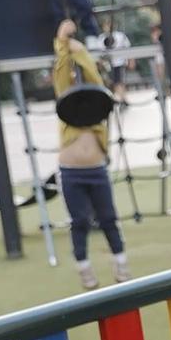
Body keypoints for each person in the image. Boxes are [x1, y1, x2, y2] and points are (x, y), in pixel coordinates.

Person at [53, 20, 128, 288]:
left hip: (96, 169)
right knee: (80, 220)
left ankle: (120, 262)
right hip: (71, 171)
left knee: (108, 217)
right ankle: (83, 266)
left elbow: (95, 80)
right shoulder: (66, 104)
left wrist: (81, 52)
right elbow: (61, 75)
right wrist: (62, 44)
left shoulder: (97, 105)